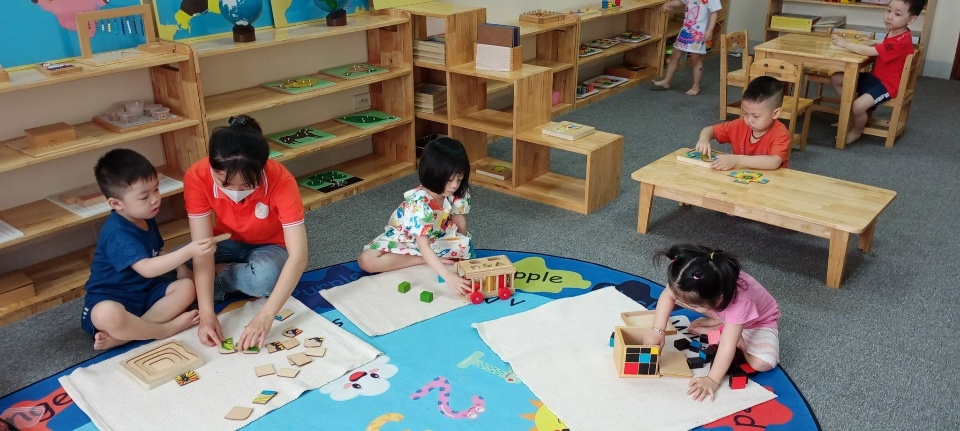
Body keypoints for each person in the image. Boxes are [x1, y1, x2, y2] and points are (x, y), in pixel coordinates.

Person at [184, 115, 307, 351]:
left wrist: (265, 316)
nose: (235, 192)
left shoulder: (281, 180)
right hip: (224, 242)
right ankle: (221, 280)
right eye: (225, 184)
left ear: (262, 170)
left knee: (266, 278)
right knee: (169, 266)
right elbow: (202, 248)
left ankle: (218, 277)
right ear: (212, 168)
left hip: (270, 247)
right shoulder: (197, 176)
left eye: (247, 185)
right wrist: (207, 314)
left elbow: (299, 256)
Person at [82, 149, 217, 350]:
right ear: (116, 204)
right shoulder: (117, 232)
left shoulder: (145, 217)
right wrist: (189, 251)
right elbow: (147, 268)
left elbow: (157, 252)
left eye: (156, 189)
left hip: (147, 292)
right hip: (114, 297)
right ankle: (163, 330)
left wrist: (182, 269)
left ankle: (126, 336)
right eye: (144, 196)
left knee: (187, 287)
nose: (155, 199)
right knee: (106, 313)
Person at [641, 244, 781, 402]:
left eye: (693, 306)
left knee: (762, 363)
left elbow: (726, 346)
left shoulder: (740, 303)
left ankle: (733, 334)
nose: (684, 305)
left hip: (758, 323)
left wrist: (712, 380)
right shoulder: (690, 277)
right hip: (724, 312)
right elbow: (668, 295)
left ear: (717, 298)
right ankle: (723, 325)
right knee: (682, 298)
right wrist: (657, 330)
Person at [358, 137, 473, 295]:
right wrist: (448, 276)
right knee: (366, 260)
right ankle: (421, 259)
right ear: (432, 173)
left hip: (437, 236)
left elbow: (459, 221)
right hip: (407, 238)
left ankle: (432, 257)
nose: (454, 185)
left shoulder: (457, 193)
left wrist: (462, 250)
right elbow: (423, 245)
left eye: (459, 179)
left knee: (463, 250)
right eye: (449, 179)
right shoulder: (419, 203)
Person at [829, 0, 924, 145]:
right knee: (836, 79)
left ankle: (857, 130)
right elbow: (885, 43)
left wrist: (845, 44)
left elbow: (869, 51)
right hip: (875, 77)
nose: (890, 16)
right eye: (888, 10)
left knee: (858, 106)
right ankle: (851, 113)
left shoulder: (901, 41)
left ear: (911, 19)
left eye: (897, 14)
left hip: (887, 86)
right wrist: (872, 41)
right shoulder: (896, 31)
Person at [694, 76, 791, 170]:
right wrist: (703, 139)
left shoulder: (780, 133)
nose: (749, 120)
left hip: (772, 179)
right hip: (741, 177)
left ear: (775, 113)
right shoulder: (739, 125)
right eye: (745, 113)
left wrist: (737, 159)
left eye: (755, 116)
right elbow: (710, 130)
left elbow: (774, 162)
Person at [653, 0, 723, 96]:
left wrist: (710, 30)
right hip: (685, 30)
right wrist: (668, 4)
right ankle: (666, 81)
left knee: (695, 59)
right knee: (674, 56)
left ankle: (696, 86)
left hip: (698, 34)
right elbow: (681, 1)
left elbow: (714, 13)